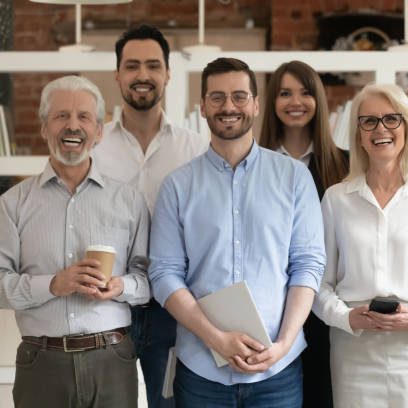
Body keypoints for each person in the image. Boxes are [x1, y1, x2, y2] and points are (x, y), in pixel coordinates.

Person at [148, 57, 326, 407]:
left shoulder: (294, 178)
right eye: (217, 97)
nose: (228, 106)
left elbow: (308, 264)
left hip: (278, 371)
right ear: (202, 107)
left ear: (257, 104)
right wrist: (215, 338)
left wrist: (284, 344)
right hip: (201, 371)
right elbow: (164, 274)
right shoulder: (177, 186)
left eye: (239, 96)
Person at [313, 83, 408, 407]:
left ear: (406, 126)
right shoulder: (336, 199)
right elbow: (319, 285)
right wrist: (346, 318)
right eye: (368, 121)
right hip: (355, 352)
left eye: (390, 119)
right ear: (357, 133)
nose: (380, 128)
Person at [0, 75, 150, 408]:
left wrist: (119, 286)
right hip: (41, 362)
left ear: (99, 131)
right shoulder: (12, 204)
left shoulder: (129, 201)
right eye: (61, 116)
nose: (73, 126)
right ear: (44, 128)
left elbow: (149, 279)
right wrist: (53, 284)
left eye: (84, 117)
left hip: (112, 360)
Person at [92, 24, 208, 408]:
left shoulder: (195, 149)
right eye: (132, 66)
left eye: (153, 66)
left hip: (172, 309)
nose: (143, 75)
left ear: (168, 74)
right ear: (118, 74)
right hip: (105, 308)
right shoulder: (94, 149)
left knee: (172, 404)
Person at [259, 59, 349, 407]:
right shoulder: (254, 166)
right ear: (271, 103)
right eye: (285, 93)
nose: (295, 101)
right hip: (272, 310)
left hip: (329, 309)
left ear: (319, 101)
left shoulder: (345, 166)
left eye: (305, 92)